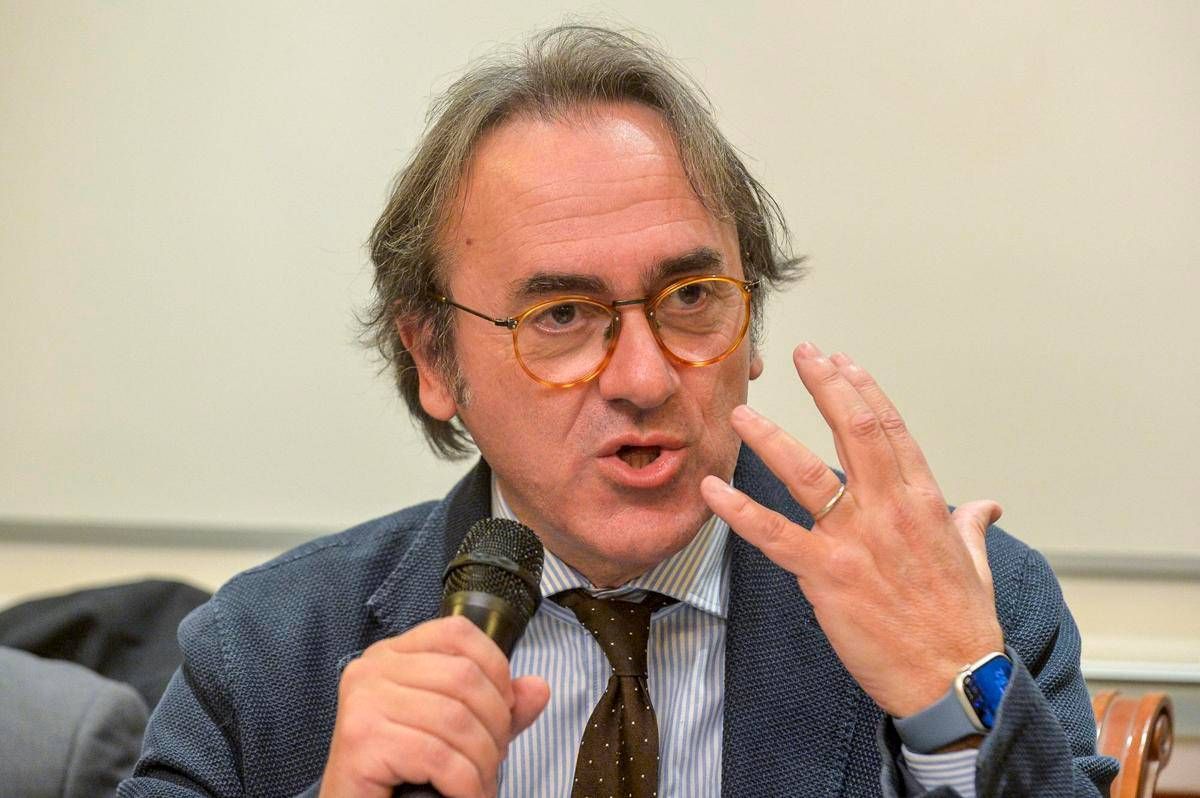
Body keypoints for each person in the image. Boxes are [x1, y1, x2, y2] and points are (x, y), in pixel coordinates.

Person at [119, 26, 1116, 798]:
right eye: (561, 315)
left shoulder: (969, 606)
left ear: (752, 326)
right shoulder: (266, 651)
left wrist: (955, 707)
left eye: (692, 298)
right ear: (433, 358)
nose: (644, 376)